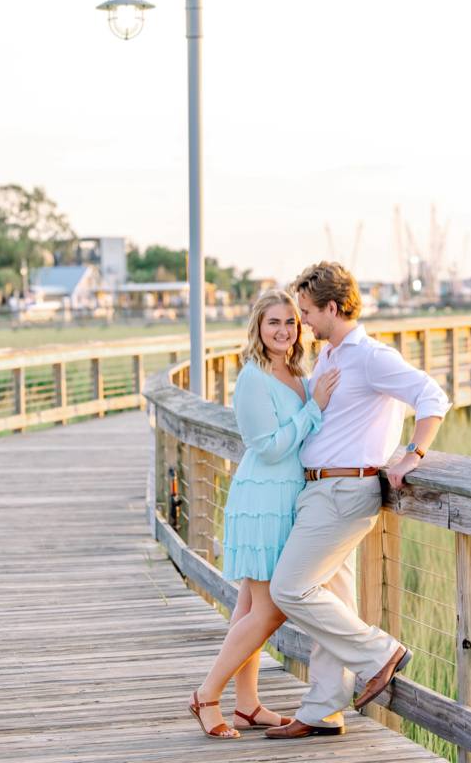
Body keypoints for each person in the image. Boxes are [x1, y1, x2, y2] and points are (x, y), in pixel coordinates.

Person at [265, 261, 451, 740]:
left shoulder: (370, 357)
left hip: (345, 491)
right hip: (320, 488)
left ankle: (379, 653)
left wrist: (414, 452)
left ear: (332, 306)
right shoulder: (329, 356)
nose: (302, 320)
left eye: (307, 311)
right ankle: (323, 709)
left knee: (289, 589)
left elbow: (431, 396)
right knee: (333, 598)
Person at [188, 289, 340, 739]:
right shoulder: (254, 377)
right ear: (258, 326)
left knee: (251, 608)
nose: (283, 330)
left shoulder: (295, 371)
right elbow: (268, 447)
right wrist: (314, 409)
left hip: (287, 498)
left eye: (291, 322)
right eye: (273, 322)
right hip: (262, 500)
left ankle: (248, 705)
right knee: (271, 610)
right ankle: (206, 696)